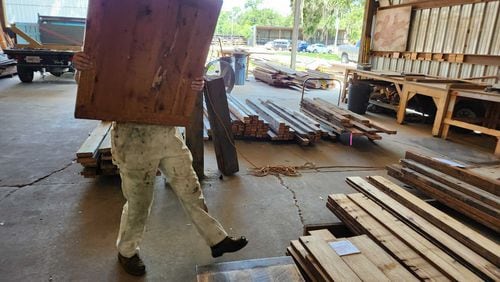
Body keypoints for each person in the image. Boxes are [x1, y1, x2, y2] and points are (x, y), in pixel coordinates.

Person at [73, 53, 248, 276]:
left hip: (166, 130)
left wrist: (195, 84)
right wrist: (80, 68)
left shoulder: (171, 40)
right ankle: (126, 252)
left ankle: (217, 240)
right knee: (139, 202)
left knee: (190, 187)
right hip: (132, 134)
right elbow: (89, 83)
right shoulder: (121, 39)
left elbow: (182, 78)